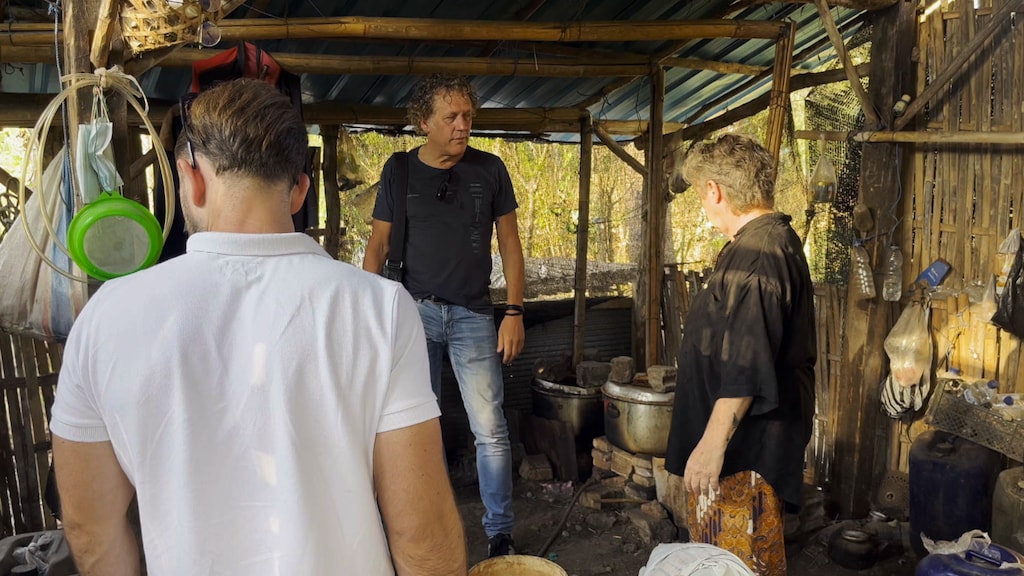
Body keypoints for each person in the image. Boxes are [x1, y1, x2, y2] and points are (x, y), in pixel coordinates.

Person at [49, 78, 466, 576]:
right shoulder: (380, 309)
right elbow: (421, 530)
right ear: (300, 190)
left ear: (191, 177)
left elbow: (88, 527)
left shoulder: (106, 317)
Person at [362, 74, 526, 557]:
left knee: (490, 428)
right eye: (451, 117)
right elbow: (378, 246)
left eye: (468, 116)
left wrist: (513, 310)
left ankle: (500, 532)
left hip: (474, 314)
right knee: (415, 427)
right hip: (412, 315)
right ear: (423, 123)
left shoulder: (490, 170)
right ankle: (422, 527)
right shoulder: (399, 171)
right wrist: (373, 318)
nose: (462, 126)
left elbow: (511, 246)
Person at [664, 135, 817, 576]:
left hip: (743, 456)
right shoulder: (763, 241)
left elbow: (747, 364)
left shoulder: (759, 256)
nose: (703, 206)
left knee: (731, 565)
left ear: (714, 190)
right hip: (743, 449)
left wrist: (712, 445)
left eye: (700, 195)